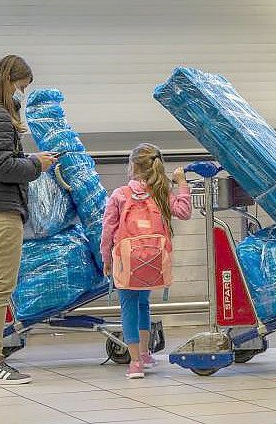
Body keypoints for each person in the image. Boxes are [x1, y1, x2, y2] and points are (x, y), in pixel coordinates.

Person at [0, 55, 57, 385]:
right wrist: (36, 164)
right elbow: (3, 166)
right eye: (20, 86)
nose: (21, 94)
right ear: (7, 81)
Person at [100, 143, 191, 379]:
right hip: (153, 260)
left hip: (128, 260)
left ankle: (135, 363)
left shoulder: (120, 194)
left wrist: (106, 258)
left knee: (128, 307)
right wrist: (181, 183)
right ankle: (145, 353)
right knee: (143, 304)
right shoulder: (161, 193)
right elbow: (184, 212)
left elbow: (108, 230)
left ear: (132, 166)